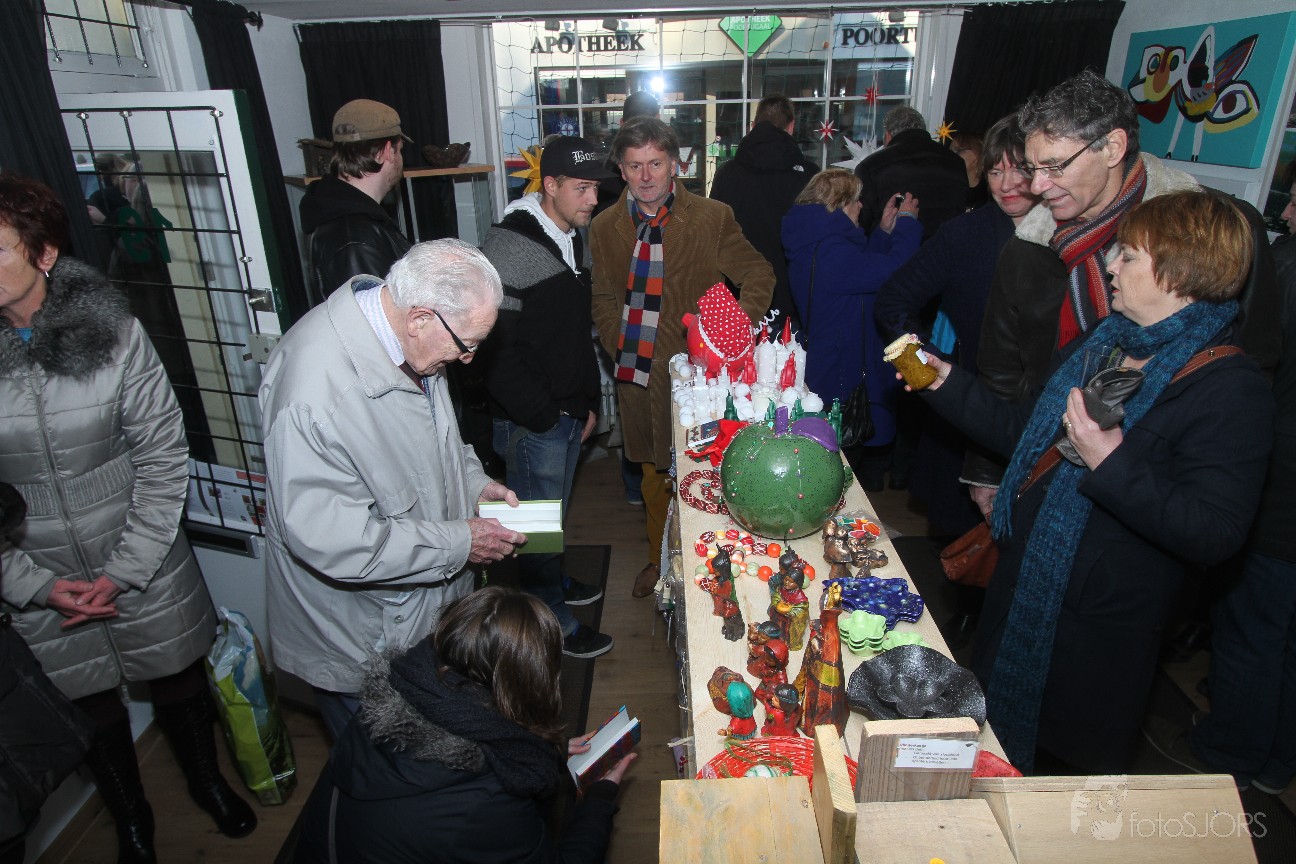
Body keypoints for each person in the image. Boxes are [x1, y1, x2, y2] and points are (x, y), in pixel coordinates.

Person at [915, 191, 1275, 774]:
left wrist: (1111, 461)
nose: (1110, 265)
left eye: (1128, 255)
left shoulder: (1231, 389)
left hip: (1099, 633)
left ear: (1183, 272)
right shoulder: (1105, 342)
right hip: (1023, 585)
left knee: (1057, 780)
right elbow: (1025, 433)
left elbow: (1214, 532)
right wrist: (946, 383)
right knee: (990, 748)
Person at [0, 173, 255, 862]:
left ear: (44, 253)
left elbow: (163, 455)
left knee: (177, 680)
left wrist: (127, 569)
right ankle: (132, 819)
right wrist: (33, 585)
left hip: (141, 549)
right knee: (86, 705)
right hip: (35, 566)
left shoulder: (115, 333)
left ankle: (206, 784)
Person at [971, 70, 1281, 500]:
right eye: (1032, 168)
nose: (1036, 187)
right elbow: (1001, 369)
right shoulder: (1027, 245)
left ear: (1113, 148)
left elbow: (1257, 357)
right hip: (1040, 462)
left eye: (1054, 166)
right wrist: (988, 473)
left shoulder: (1221, 229)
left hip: (1162, 484)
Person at [260, 238, 524, 741]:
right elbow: (336, 540)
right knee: (383, 769)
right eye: (467, 344)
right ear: (421, 317)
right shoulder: (313, 396)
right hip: (361, 637)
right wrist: (461, 541)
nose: (469, 359)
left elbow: (436, 441)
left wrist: (473, 483)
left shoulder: (408, 340)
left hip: (418, 614)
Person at [292, 586, 635, 864]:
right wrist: (598, 797)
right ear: (534, 682)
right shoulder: (485, 804)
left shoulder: (383, 707)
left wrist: (550, 750)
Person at [591, 116, 773, 599]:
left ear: (675, 164)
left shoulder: (712, 217)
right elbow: (603, 297)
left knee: (704, 474)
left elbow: (758, 274)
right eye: (634, 166)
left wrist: (729, 333)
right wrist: (617, 342)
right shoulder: (605, 227)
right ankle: (660, 563)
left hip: (699, 379)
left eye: (655, 163)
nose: (646, 176)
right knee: (653, 477)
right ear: (621, 170)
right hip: (637, 375)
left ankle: (712, 566)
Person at [478, 136, 614, 659]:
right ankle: (549, 621)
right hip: (532, 420)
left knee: (548, 518)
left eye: (596, 188)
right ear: (549, 185)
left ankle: (552, 584)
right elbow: (493, 351)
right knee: (531, 530)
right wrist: (544, 415)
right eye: (582, 188)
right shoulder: (508, 246)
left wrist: (586, 403)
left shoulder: (566, 234)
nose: (593, 200)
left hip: (563, 413)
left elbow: (569, 335)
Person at [875, 115, 1038, 536]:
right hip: (968, 411)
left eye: (1019, 169)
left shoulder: (1069, 233)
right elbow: (892, 302)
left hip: (1044, 417)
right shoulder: (965, 234)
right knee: (957, 541)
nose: (1006, 184)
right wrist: (925, 372)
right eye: (995, 171)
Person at [1189, 164, 1296, 795]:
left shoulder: (1282, 268)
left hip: (1280, 483)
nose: (1287, 211)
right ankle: (1279, 758)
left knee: (1253, 628)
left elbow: (1259, 366)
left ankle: (1232, 754)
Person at [781, 168, 921, 490]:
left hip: (829, 364)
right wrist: (907, 224)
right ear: (840, 203)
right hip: (841, 378)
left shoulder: (818, 242)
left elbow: (858, 276)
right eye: (856, 200)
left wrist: (883, 233)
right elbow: (895, 270)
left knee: (835, 466)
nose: (861, 206)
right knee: (836, 473)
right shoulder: (832, 252)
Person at [710, 94, 819, 330]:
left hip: (741, 293)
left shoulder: (727, 174)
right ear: (791, 127)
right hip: (793, 293)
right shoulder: (810, 176)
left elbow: (713, 235)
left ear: (753, 126)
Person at [299, 99, 413, 307]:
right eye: (400, 150)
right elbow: (372, 319)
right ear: (387, 151)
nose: (400, 158)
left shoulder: (344, 212)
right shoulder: (355, 237)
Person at [852, 105, 969, 240]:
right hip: (946, 246)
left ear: (888, 136)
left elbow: (861, 223)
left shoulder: (871, 166)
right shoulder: (956, 161)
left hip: (893, 249)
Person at [947, 130, 988, 210]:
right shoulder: (949, 187)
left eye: (958, 151)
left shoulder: (989, 191)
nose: (952, 156)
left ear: (978, 153)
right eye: (951, 152)